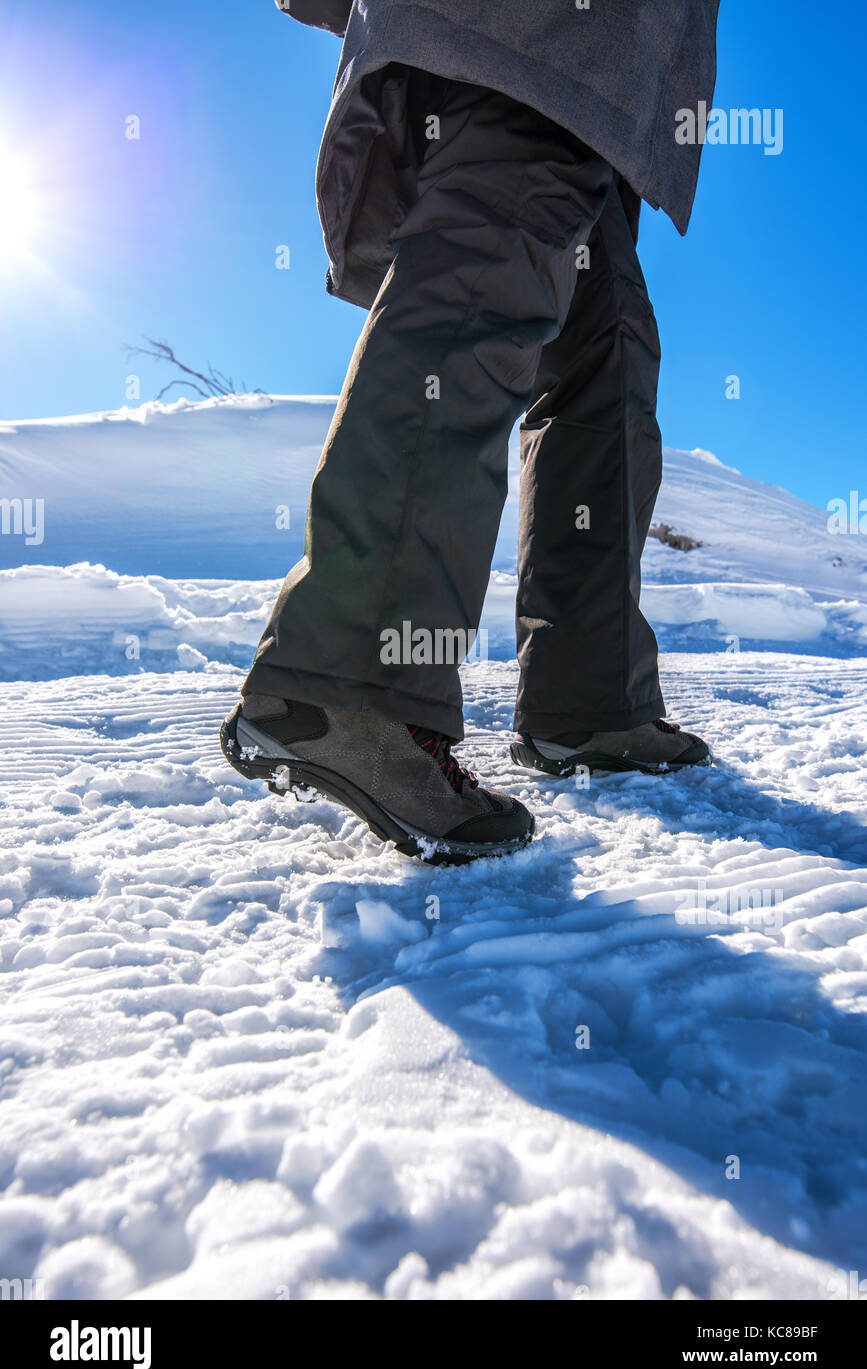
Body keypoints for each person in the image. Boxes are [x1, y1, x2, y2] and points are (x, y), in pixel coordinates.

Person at [221, 0, 721, 864]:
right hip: (517, 38)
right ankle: (348, 683)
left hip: (611, 83)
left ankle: (588, 705)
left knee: (607, 355)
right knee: (485, 272)